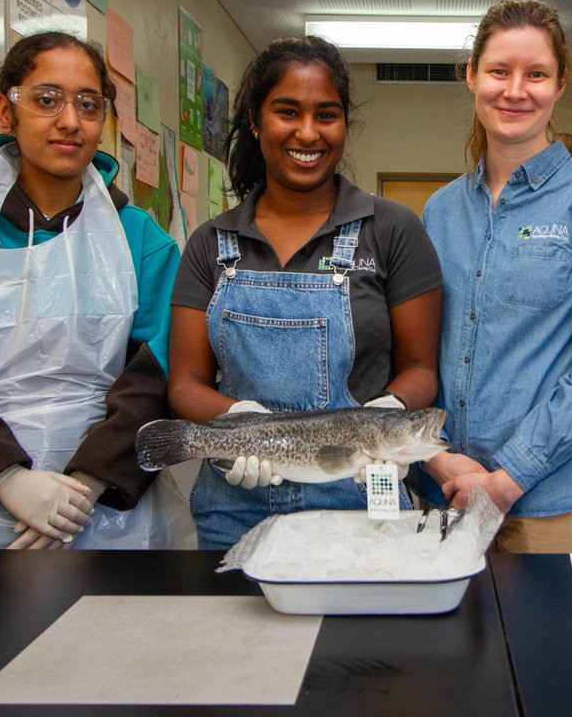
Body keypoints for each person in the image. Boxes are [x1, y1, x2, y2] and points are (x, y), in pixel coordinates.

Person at [0, 31, 193, 549]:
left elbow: (161, 374)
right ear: (7, 112)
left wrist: (86, 485)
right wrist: (6, 479)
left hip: (110, 506)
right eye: (47, 100)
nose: (69, 121)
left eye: (88, 104)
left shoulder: (140, 239)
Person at [168, 36, 443, 550]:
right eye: (288, 112)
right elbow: (185, 384)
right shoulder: (211, 244)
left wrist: (387, 417)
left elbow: (421, 368)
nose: (309, 132)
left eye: (327, 115)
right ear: (255, 121)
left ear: (345, 124)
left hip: (361, 505)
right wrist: (239, 424)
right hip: (234, 505)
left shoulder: (393, 230)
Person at [412, 0, 572, 553]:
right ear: (471, 76)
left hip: (561, 503)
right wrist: (436, 456)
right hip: (448, 495)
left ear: (560, 85)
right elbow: (419, 353)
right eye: (499, 71)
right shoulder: (440, 211)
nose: (515, 90)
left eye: (536, 74)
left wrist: (509, 477)